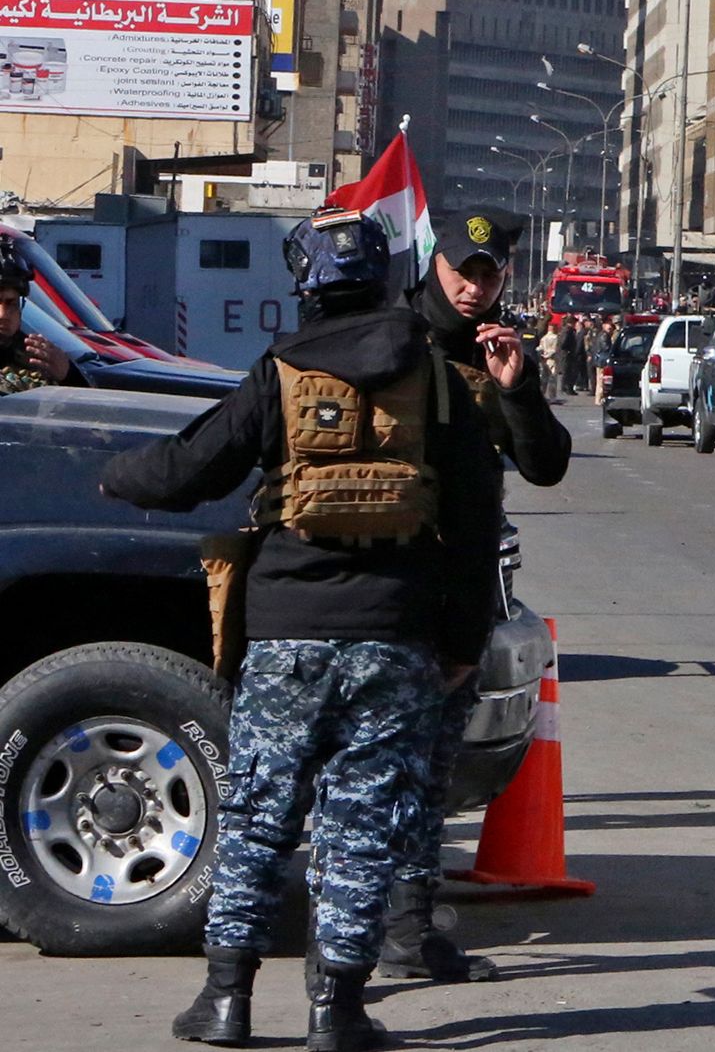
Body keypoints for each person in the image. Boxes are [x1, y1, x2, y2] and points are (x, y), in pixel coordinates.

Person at [100, 208, 505, 1052]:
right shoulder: (434, 377)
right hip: (396, 635)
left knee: (257, 815)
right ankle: (339, 1012)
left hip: (284, 630)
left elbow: (186, 470)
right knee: (360, 825)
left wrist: (113, 472)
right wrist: (464, 640)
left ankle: (224, 1002)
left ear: (306, 283)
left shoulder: (278, 372)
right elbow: (474, 523)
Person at [380, 205, 572, 983]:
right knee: (391, 773)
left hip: (461, 597)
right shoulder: (389, 336)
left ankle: (405, 931)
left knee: (426, 775)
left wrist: (518, 388)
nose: (473, 287)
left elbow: (547, 464)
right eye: (463, 271)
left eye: (488, 276)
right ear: (434, 264)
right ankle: (383, 938)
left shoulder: (497, 351)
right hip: (389, 589)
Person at [0, 242, 77, 393]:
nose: (3, 315)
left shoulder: (34, 359)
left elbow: (82, 408)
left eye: (11, 304)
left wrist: (68, 375)